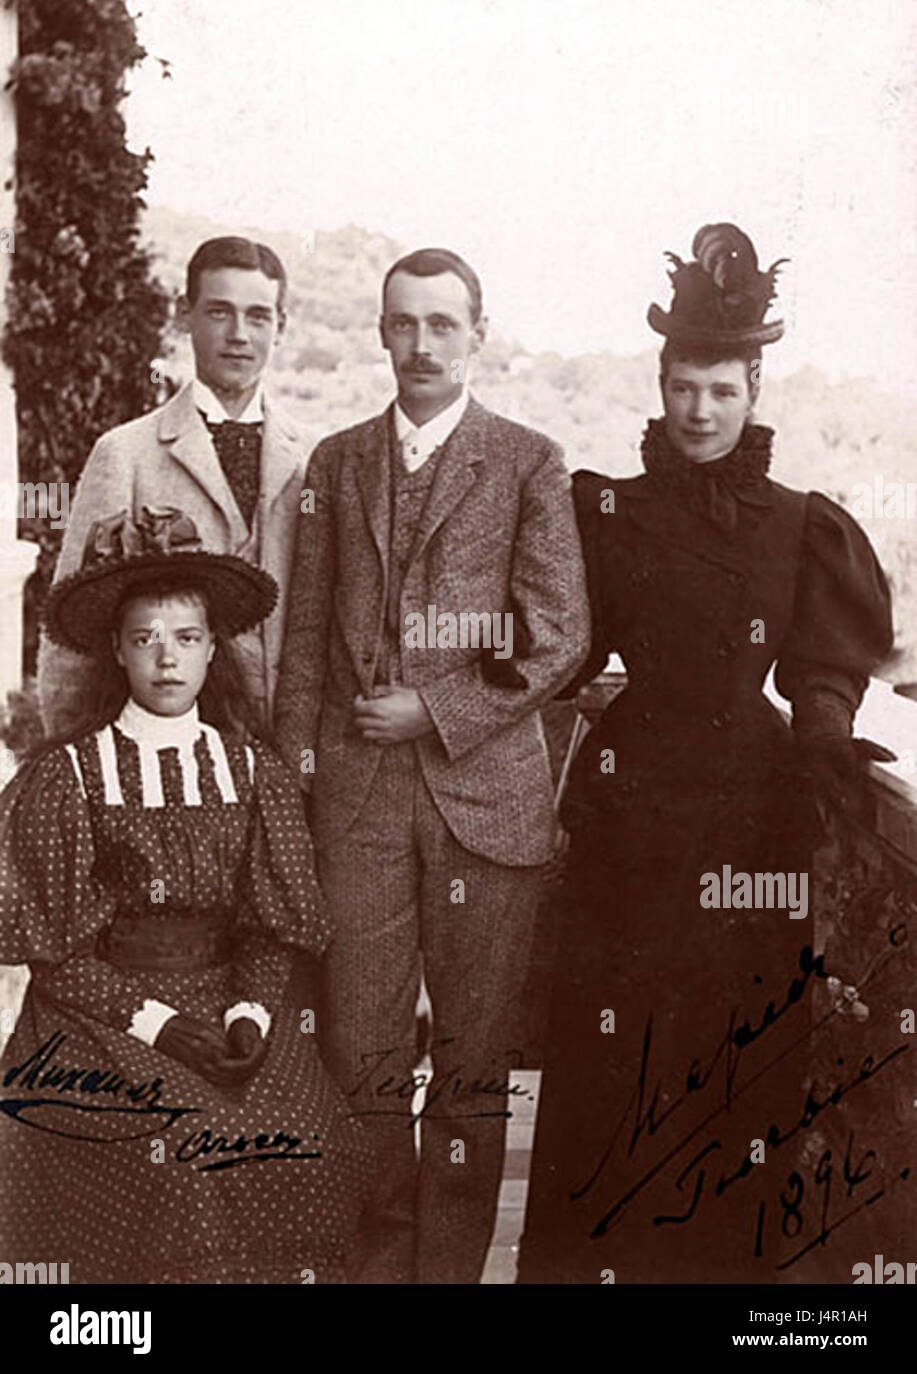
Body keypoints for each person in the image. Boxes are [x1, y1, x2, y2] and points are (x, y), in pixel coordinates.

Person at [517, 223, 894, 1284]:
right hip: (629, 816)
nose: (698, 411)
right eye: (684, 388)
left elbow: (822, 665)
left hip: (752, 817)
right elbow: (560, 647)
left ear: (752, 389)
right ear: (660, 382)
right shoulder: (607, 512)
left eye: (721, 391)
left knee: (736, 1061)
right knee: (613, 1054)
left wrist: (822, 732)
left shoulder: (798, 523)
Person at [273, 247, 590, 1284]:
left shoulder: (528, 461)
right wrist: (295, 788)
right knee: (358, 1056)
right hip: (355, 808)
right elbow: (306, 648)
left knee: (471, 1067)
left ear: (476, 336)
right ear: (378, 331)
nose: (419, 345)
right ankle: (374, 1272)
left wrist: (436, 709)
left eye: (441, 325)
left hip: (486, 807)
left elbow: (557, 637)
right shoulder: (334, 464)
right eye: (402, 324)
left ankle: (447, 1273)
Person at [0, 506, 373, 1283]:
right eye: (145, 640)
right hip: (95, 1017)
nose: (166, 660)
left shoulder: (251, 770)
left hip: (226, 1003)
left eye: (186, 638)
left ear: (211, 651)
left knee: (312, 1138)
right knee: (183, 1153)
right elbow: (53, 953)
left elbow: (272, 927)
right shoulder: (66, 774)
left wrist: (248, 1012)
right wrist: (161, 1027)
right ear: (117, 651)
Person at [38, 236, 307, 738]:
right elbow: (70, 638)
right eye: (219, 312)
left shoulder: (315, 459)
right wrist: (76, 766)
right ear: (185, 317)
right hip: (162, 763)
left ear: (281, 326)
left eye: (258, 316)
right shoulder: (127, 453)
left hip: (289, 765)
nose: (239, 335)